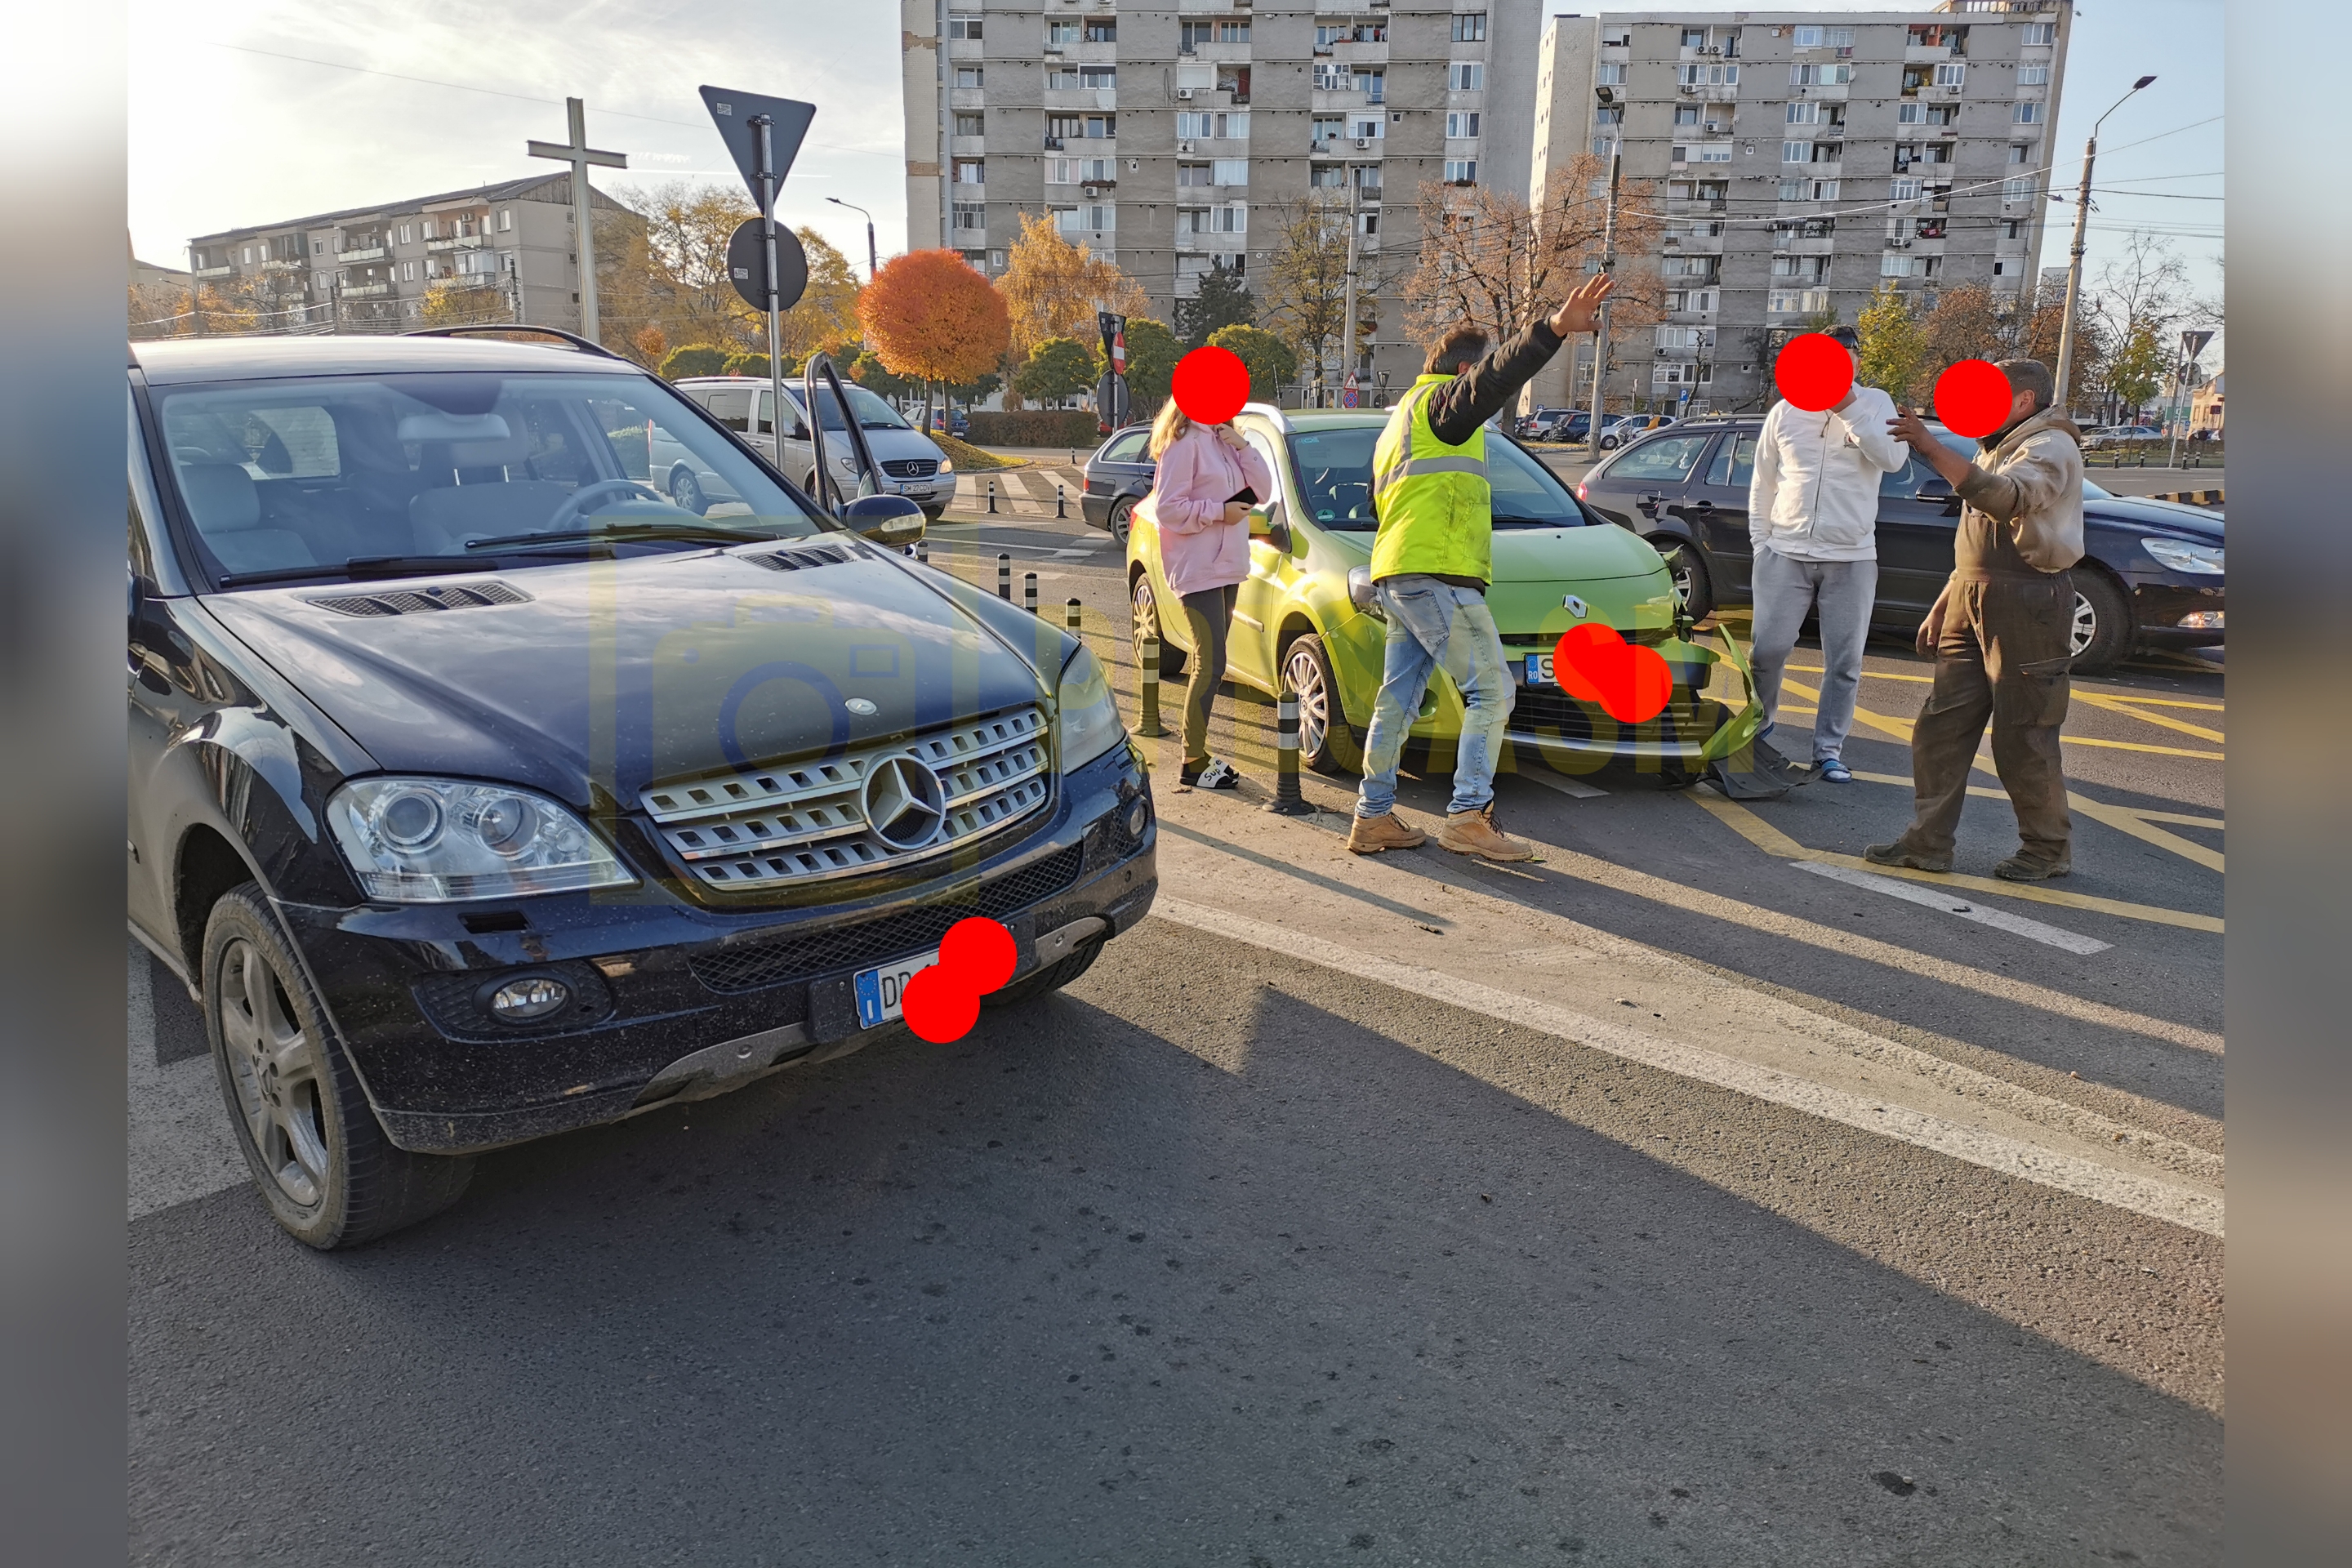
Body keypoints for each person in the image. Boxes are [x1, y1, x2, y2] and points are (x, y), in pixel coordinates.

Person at [1346, 272, 1617, 861]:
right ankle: (1469, 815)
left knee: (1399, 699)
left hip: (1399, 573)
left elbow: (1378, 501)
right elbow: (1496, 379)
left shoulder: (1400, 419)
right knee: (1493, 690)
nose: (1489, 408)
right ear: (1465, 373)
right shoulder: (1446, 408)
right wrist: (1552, 330)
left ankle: (1372, 817)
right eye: (1481, 384)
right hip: (1438, 575)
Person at [1869, 358, 2086, 880]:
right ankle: (1928, 842)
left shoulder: (2050, 446)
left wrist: (1930, 445)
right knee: (1941, 726)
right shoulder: (1998, 446)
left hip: (2028, 601)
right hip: (1974, 594)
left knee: (2024, 734)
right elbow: (1976, 544)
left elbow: (2007, 499)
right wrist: (1950, 598)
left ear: (2024, 401)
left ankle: (2046, 849)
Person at [1744, 323, 1907, 782]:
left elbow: (1893, 461)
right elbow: (1763, 483)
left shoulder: (1875, 404)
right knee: (1767, 651)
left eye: (1847, 357)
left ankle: (1828, 750)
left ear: (1856, 361)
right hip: (1784, 552)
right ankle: (1758, 733)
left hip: (1851, 556)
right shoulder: (1784, 412)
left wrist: (1848, 408)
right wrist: (1762, 546)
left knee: (1844, 662)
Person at [1138, 396, 1274, 789]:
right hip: (1197, 567)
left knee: (1213, 661)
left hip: (1227, 565)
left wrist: (1242, 446)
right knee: (1210, 663)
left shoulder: (1223, 439)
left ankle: (1197, 755)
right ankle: (1192, 759)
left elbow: (1260, 492)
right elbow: (1168, 509)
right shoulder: (1184, 442)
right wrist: (1219, 511)